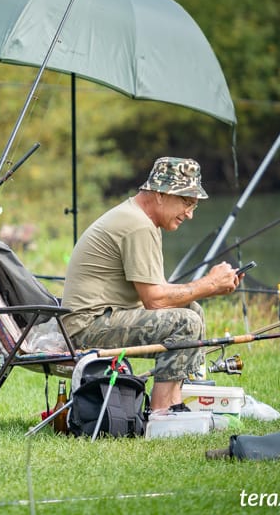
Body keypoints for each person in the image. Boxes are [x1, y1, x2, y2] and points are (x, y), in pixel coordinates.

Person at [61, 157, 244, 413]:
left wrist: (212, 288)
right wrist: (210, 283)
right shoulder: (137, 225)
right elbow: (155, 300)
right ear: (160, 194)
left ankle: (178, 400)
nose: (190, 214)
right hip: (86, 328)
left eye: (194, 205)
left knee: (192, 311)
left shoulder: (141, 219)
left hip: (101, 319)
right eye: (186, 202)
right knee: (186, 322)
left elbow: (160, 293)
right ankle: (163, 413)